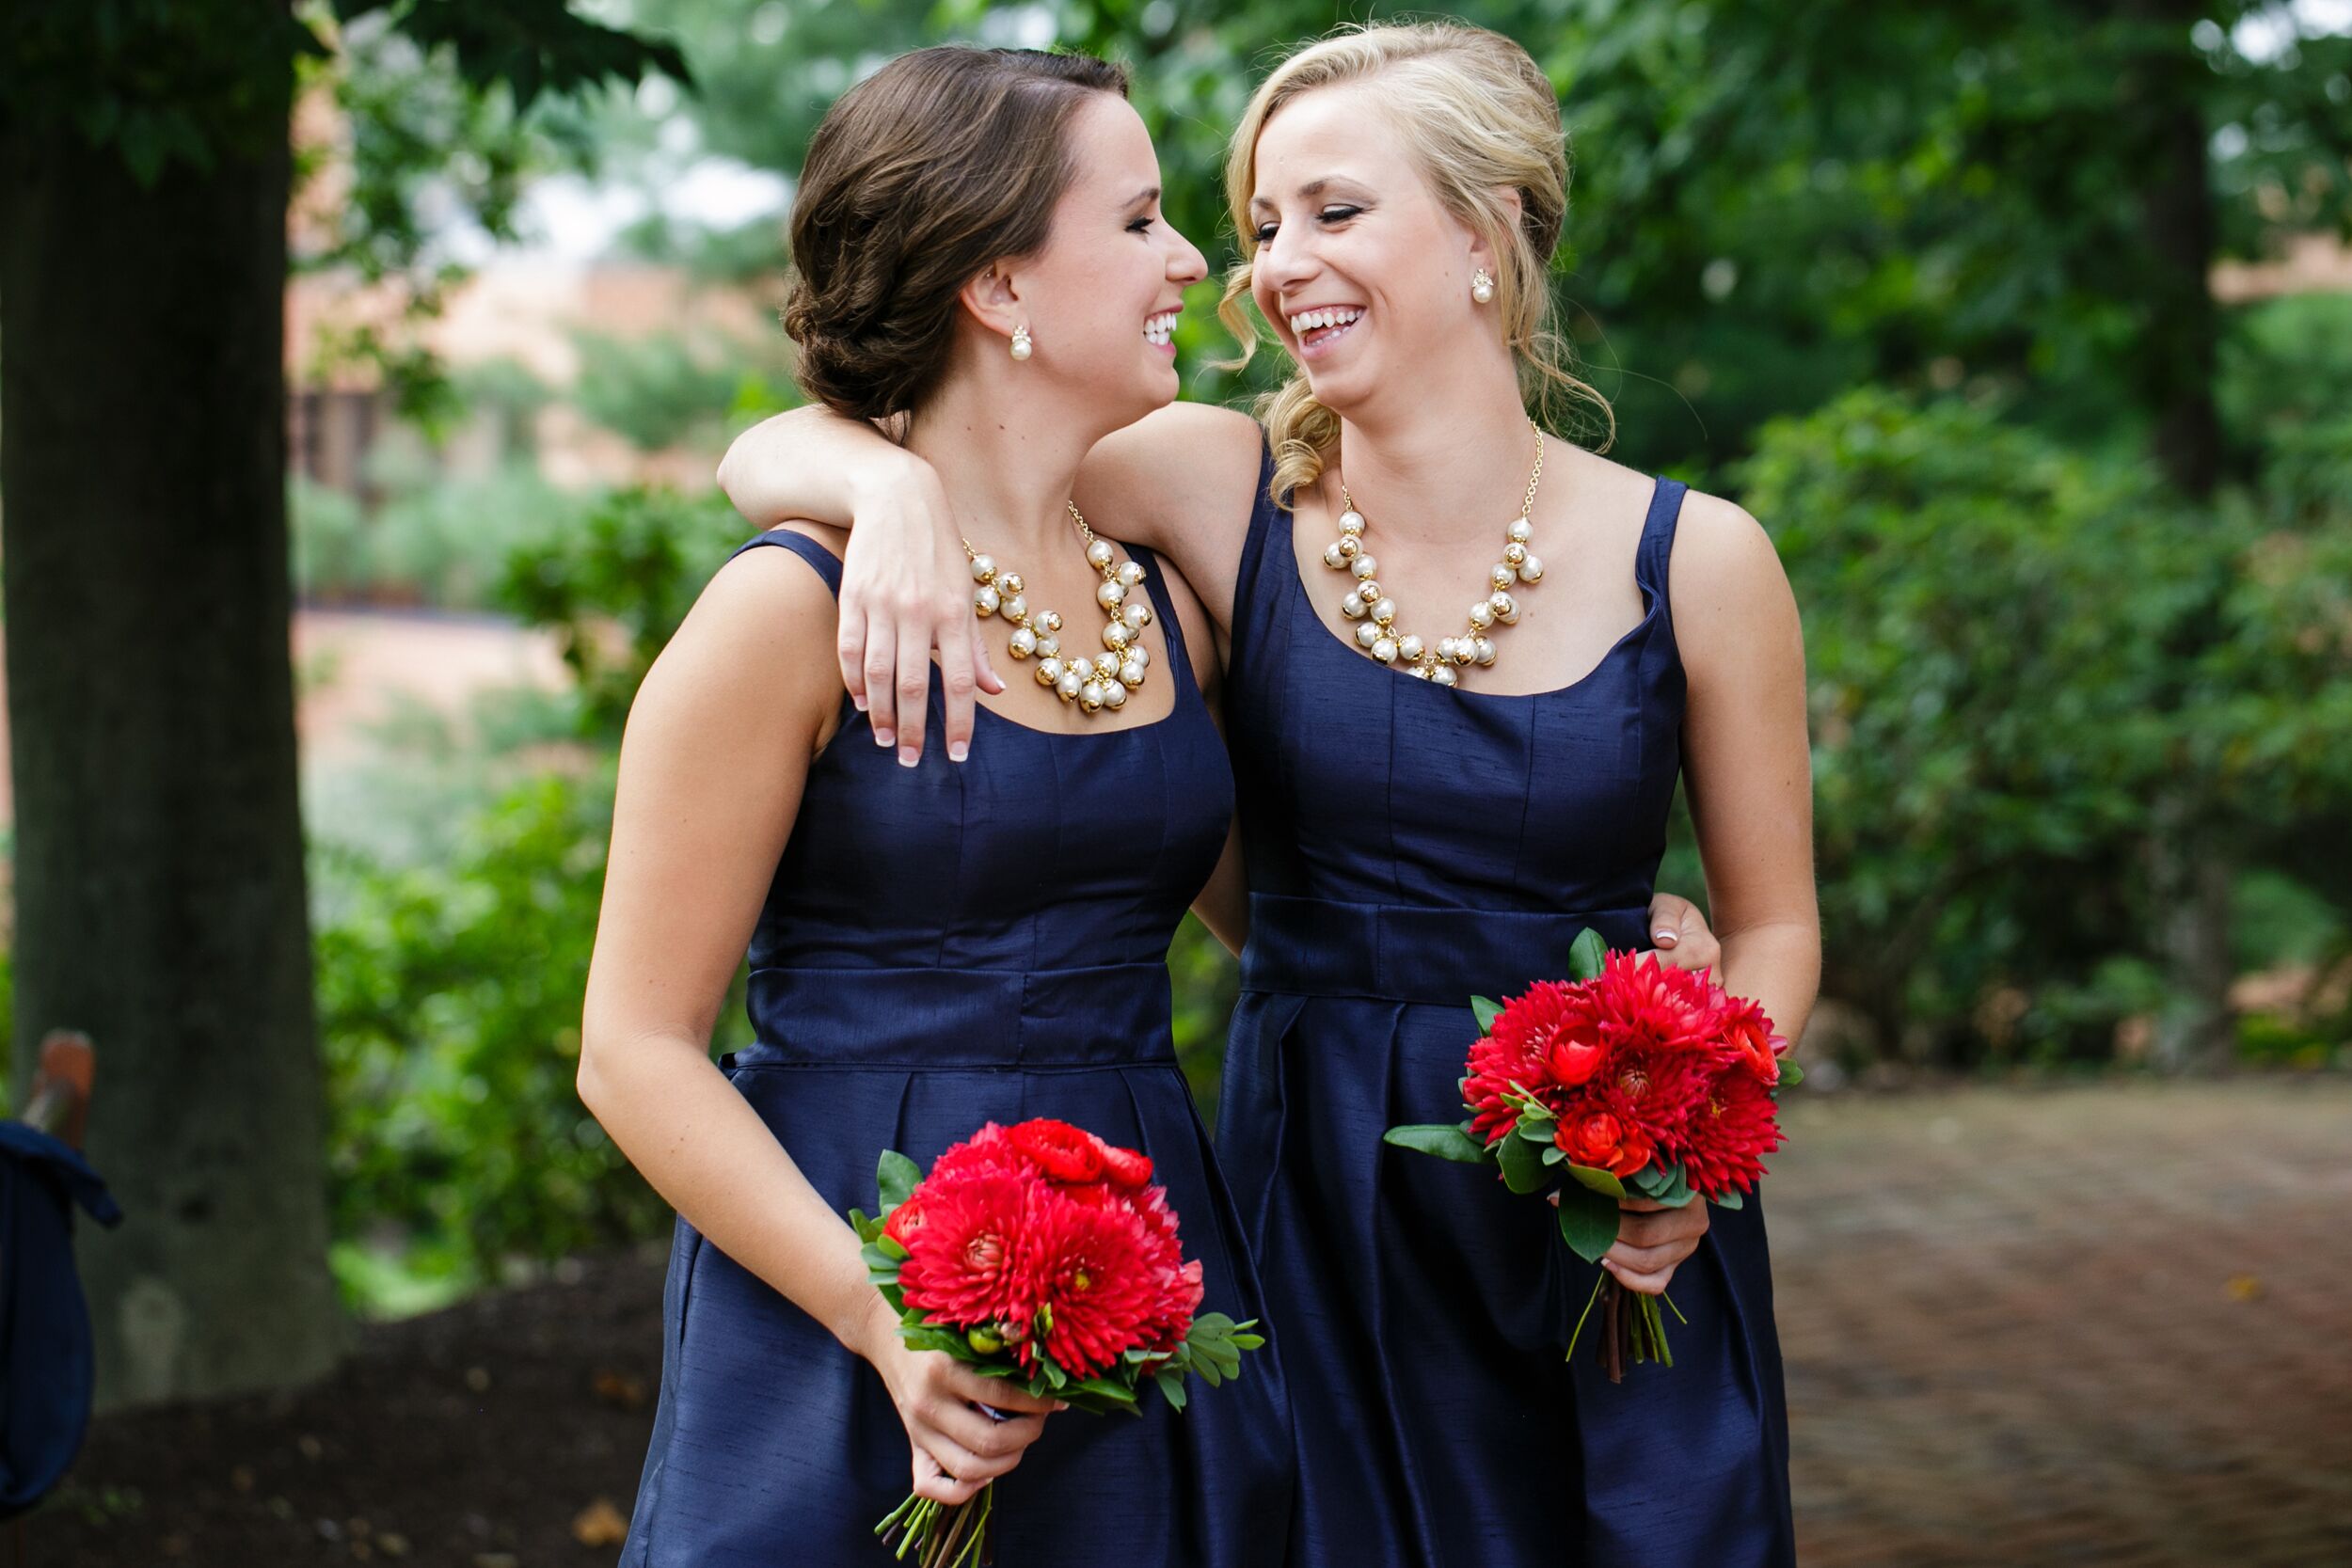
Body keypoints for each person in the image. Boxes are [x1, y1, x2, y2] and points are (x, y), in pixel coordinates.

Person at [715, 21, 1815, 1566]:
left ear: (1487, 228)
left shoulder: (1700, 561)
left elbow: (1774, 930)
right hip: (1320, 1194)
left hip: (1615, 1227)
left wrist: (1692, 1137)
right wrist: (876, 489)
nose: (1274, 264)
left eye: (1334, 211)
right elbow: (912, 430)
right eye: (1259, 225)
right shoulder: (1201, 484)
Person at [579, 46, 1293, 1566]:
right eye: (1140, 220)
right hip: (842, 1276)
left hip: (1148, 1263)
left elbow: (1284, 918)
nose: (1189, 260)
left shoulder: (1175, 599)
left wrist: (1620, 935)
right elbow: (631, 1053)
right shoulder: (783, 613)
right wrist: (874, 1315)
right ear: (999, 286)